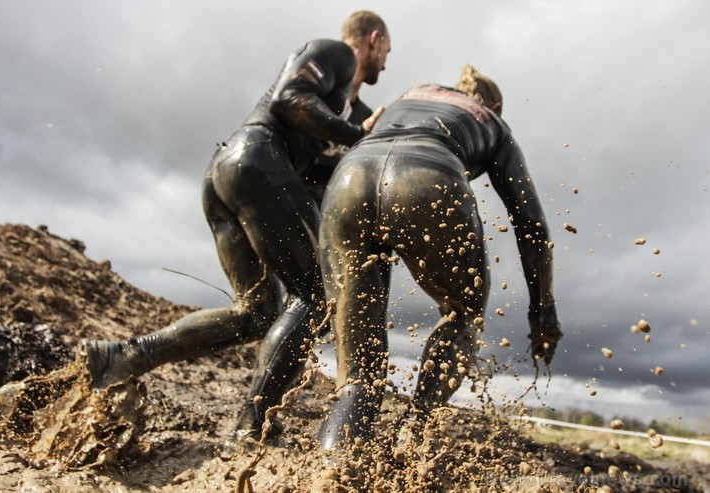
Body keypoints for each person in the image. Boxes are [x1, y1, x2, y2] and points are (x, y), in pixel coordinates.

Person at [82, 10, 391, 443]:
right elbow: (289, 97)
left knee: (256, 313)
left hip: (233, 179)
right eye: (386, 52)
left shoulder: (352, 107)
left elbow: (318, 171)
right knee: (318, 294)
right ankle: (254, 423)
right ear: (374, 40)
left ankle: (122, 356)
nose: (385, 63)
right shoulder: (335, 53)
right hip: (253, 160)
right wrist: (352, 133)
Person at [315, 65, 563, 455]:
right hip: (429, 175)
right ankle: (415, 434)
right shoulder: (494, 123)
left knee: (357, 380)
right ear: (493, 105)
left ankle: (328, 474)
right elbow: (530, 224)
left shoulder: (414, 92)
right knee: (464, 316)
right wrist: (542, 312)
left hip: (351, 176)